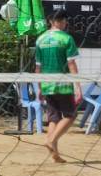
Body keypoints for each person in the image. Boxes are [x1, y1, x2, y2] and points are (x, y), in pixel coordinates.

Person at [34, 8, 81, 164]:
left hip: (47, 84)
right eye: (64, 20)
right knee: (70, 115)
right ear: (60, 21)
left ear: (50, 21)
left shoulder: (40, 39)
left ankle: (55, 153)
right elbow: (71, 64)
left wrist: (39, 87)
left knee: (54, 118)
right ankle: (51, 140)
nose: (65, 23)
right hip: (63, 84)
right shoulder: (66, 38)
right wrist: (78, 87)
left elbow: (38, 67)